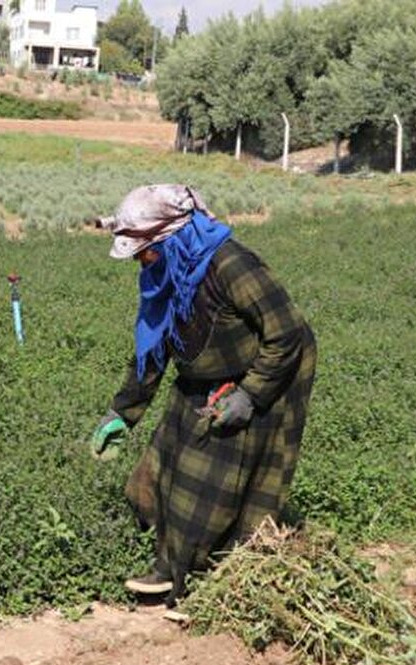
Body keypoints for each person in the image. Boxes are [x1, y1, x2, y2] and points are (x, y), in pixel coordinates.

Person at [89, 184, 317, 607]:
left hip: (267, 370)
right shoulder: (166, 274)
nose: (140, 261)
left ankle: (202, 579)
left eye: (145, 252)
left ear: (171, 239)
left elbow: (286, 332)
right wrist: (121, 413)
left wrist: (250, 394)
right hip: (204, 372)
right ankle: (172, 559)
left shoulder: (232, 266)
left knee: (214, 480)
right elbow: (154, 351)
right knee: (159, 466)